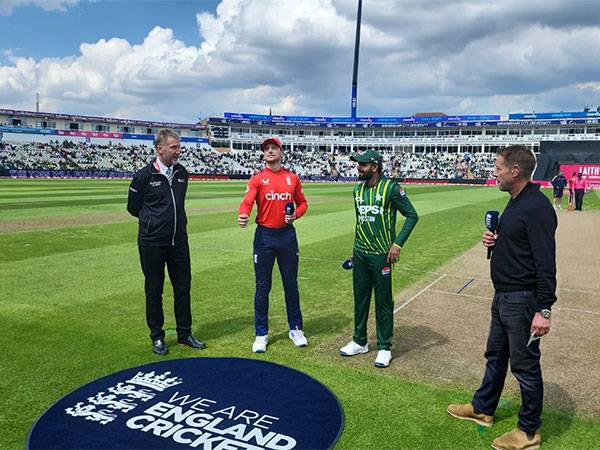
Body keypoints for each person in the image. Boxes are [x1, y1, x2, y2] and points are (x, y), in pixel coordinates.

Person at [447, 145, 557, 450]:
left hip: (523, 300)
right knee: (495, 356)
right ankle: (483, 409)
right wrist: (493, 243)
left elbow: (546, 261)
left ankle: (529, 432)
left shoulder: (536, 207)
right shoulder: (516, 202)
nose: (494, 171)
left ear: (515, 171)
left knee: (525, 366)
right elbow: (519, 247)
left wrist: (544, 310)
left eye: (498, 166)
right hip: (504, 296)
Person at [127, 128, 206, 355]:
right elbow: (133, 208)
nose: (178, 151)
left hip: (179, 241)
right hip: (152, 242)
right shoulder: (144, 176)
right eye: (174, 147)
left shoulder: (182, 173)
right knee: (154, 290)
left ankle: (185, 333)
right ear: (160, 149)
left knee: (183, 288)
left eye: (179, 147)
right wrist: (153, 223)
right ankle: (157, 336)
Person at [339, 149, 418, 368]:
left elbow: (412, 216)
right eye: (358, 164)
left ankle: (384, 347)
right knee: (360, 299)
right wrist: (354, 251)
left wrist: (397, 244)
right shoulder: (357, 190)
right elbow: (361, 222)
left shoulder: (391, 188)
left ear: (374, 167)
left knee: (383, 302)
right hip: (361, 254)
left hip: (382, 255)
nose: (359, 168)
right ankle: (359, 341)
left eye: (363, 165)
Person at [238, 136, 309, 353]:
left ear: (281, 151)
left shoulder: (292, 178)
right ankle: (261, 333)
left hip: (287, 236)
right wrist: (243, 214)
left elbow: (303, 203)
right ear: (263, 154)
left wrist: (295, 215)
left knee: (291, 284)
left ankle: (295, 329)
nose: (269, 151)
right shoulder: (258, 178)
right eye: (266, 149)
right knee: (262, 287)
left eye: (273, 148)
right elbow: (248, 200)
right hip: (264, 238)